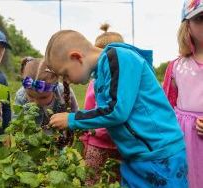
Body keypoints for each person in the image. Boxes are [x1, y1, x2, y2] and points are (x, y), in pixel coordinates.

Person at [45, 29, 187, 187]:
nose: (67, 80)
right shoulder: (101, 75)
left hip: (160, 154)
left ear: (77, 57)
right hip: (136, 157)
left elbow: (116, 111)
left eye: (65, 74)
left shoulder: (118, 57)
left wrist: (72, 119)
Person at [163, 1, 203, 187]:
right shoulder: (176, 66)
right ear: (187, 25)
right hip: (184, 141)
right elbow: (165, 109)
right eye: (200, 18)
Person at [81, 23, 123, 185]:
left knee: (117, 181)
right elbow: (87, 111)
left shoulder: (125, 82)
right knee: (91, 180)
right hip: (97, 144)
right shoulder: (95, 83)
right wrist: (85, 140)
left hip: (121, 144)